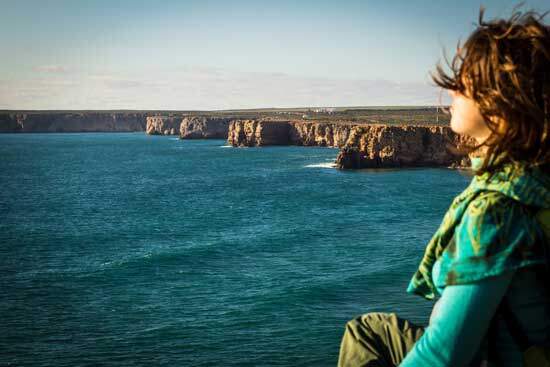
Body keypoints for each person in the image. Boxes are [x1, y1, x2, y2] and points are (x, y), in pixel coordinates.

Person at [338, 7, 550, 367]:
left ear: (500, 103)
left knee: (365, 335)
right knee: (369, 329)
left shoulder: (495, 211)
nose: (449, 90)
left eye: (464, 82)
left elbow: (444, 354)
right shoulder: (537, 183)